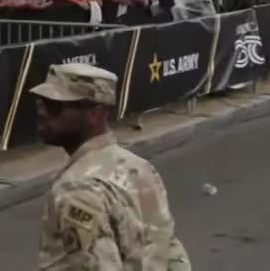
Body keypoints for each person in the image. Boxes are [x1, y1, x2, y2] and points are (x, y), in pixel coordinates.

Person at [31, 63, 191, 270]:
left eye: (55, 107)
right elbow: (171, 252)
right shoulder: (139, 167)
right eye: (40, 103)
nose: (43, 113)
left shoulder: (76, 188)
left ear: (95, 114)